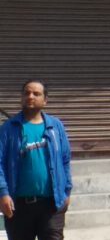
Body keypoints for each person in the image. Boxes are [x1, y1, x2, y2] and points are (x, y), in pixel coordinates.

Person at [0, 80, 72, 240]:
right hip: (18, 206)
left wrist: (67, 190)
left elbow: (65, 159)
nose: (30, 96)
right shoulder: (8, 129)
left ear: (45, 100)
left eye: (36, 93)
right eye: (26, 93)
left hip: (52, 204)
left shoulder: (55, 126)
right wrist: (3, 193)